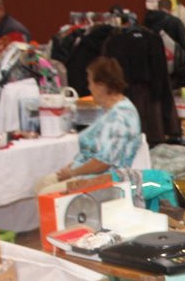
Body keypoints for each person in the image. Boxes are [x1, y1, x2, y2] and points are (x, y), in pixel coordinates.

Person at [36, 57, 141, 192]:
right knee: (42, 184)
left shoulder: (120, 117)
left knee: (47, 193)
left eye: (90, 82)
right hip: (88, 173)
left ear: (101, 85)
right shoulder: (109, 110)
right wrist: (72, 167)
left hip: (107, 179)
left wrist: (73, 173)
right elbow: (93, 153)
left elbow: (103, 163)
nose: (89, 87)